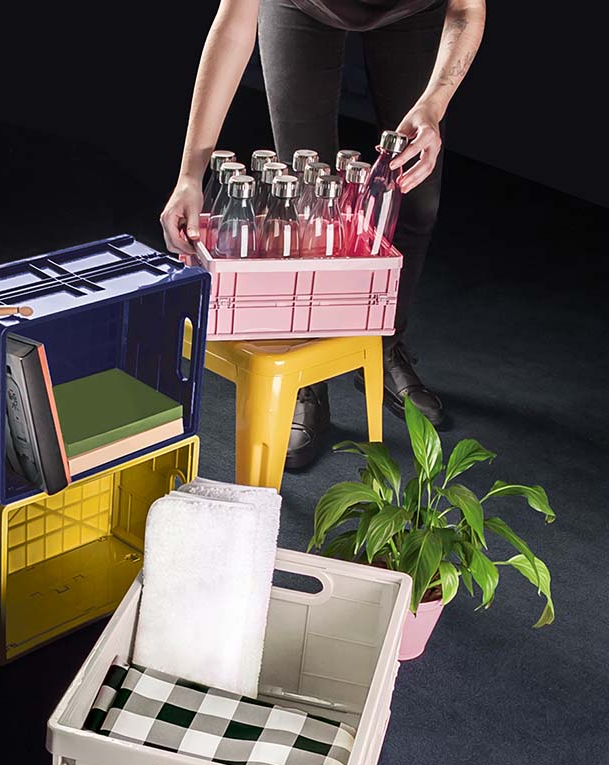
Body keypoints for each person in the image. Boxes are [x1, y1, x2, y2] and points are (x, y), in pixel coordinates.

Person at [160, 0, 485, 469]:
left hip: (414, 12)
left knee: (415, 201)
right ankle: (307, 375)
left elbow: (467, 8)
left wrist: (433, 105)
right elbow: (232, 25)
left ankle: (383, 342)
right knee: (303, 203)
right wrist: (190, 175)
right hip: (301, 7)